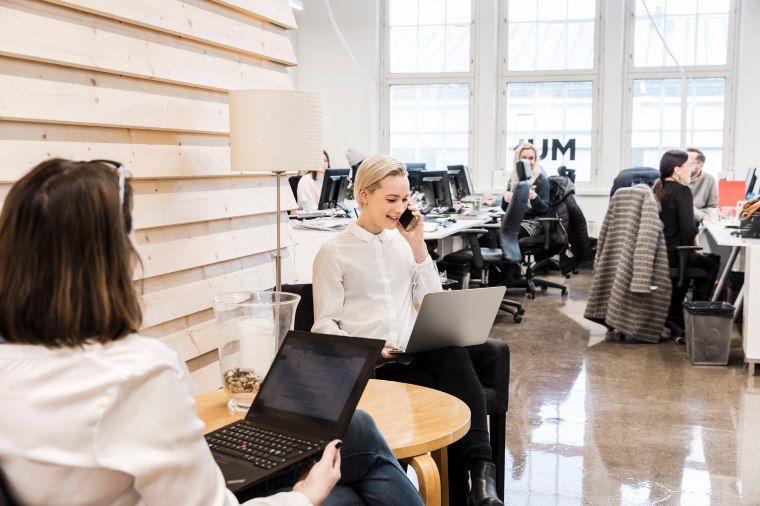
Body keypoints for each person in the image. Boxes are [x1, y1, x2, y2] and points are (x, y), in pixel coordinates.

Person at [0, 158, 423, 506]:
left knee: (355, 435)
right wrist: (304, 496)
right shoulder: (139, 372)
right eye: (128, 236)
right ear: (109, 259)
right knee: (349, 478)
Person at [311, 154, 504, 506]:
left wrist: (418, 245)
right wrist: (370, 347)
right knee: (453, 388)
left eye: (404, 199)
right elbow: (324, 325)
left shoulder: (403, 243)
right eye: (391, 199)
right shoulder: (333, 252)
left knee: (453, 355)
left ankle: (481, 474)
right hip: (373, 366)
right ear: (364, 195)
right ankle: (466, 489)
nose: (400, 208)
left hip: (411, 353)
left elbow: (431, 299)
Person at [653, 150, 720, 336]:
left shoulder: (658, 187)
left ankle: (675, 312)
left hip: (659, 253)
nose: (692, 169)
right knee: (712, 263)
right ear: (677, 169)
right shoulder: (682, 191)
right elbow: (688, 230)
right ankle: (694, 316)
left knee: (701, 261)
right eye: (689, 165)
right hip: (675, 254)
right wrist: (694, 243)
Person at [501, 143, 550, 237]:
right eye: (523, 158)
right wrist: (506, 200)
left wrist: (534, 198)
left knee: (501, 234)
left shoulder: (541, 180)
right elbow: (505, 209)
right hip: (514, 221)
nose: (527, 161)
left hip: (532, 223)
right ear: (517, 159)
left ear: (535, 160)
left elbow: (545, 210)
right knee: (487, 235)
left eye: (531, 158)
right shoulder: (513, 178)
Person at [687, 148, 718, 223]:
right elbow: (683, 207)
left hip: (701, 222)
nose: (684, 164)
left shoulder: (709, 179)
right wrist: (701, 214)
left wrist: (695, 212)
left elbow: (712, 208)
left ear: (700, 164)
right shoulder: (678, 178)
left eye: (689, 162)